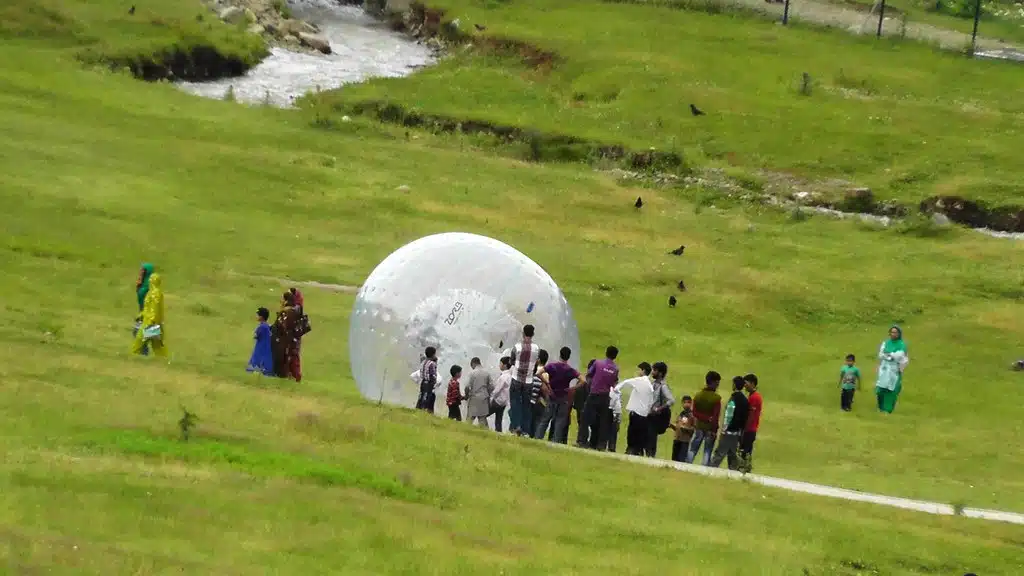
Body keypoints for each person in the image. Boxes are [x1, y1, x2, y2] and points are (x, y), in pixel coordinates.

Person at [536, 347, 580, 443]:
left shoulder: (552, 366)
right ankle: (555, 441)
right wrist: (573, 388)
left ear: (560, 354)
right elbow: (583, 380)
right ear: (568, 357)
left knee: (545, 419)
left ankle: (538, 438)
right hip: (563, 397)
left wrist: (547, 383)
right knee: (560, 421)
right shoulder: (570, 370)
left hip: (552, 394)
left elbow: (538, 373)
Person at [710, 376, 750, 470]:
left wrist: (723, 430)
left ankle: (710, 470)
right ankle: (733, 473)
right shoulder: (745, 400)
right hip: (737, 432)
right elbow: (745, 418)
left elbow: (729, 415)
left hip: (728, 432)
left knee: (719, 454)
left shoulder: (733, 399)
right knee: (732, 456)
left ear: (735, 385)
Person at [584, 346, 620, 450]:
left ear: (606, 352)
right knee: (603, 422)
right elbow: (614, 382)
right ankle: (601, 445)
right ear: (615, 356)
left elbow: (589, 375)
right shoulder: (615, 369)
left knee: (585, 417)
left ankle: (582, 441)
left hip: (594, 393)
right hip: (605, 396)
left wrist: (591, 385)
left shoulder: (597, 363)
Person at [615, 362, 654, 456]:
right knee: (640, 432)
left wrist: (616, 389)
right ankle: (638, 450)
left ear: (643, 370)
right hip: (644, 413)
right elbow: (651, 401)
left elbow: (626, 382)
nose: (638, 372)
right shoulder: (649, 385)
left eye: (639, 370)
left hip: (636, 411)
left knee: (632, 431)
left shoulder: (640, 380)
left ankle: (631, 449)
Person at [506, 325, 540, 436]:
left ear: (523, 333)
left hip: (516, 378)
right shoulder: (536, 349)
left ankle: (516, 426)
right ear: (533, 334)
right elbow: (535, 365)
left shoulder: (516, 347)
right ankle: (525, 430)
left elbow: (511, 361)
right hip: (529, 380)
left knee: (515, 403)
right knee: (526, 405)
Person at [688, 371, 722, 466]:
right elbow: (716, 417)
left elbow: (694, 412)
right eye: (717, 383)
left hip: (699, 426)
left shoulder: (698, 396)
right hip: (710, 429)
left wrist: (704, 418)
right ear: (713, 382)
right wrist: (713, 427)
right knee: (707, 451)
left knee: (693, 449)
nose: (717, 386)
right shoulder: (716, 398)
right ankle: (704, 470)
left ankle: (687, 466)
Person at [132, 272, 167, 357]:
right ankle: (163, 360)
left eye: (151, 280)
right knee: (157, 345)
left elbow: (155, 308)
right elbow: (148, 307)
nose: (149, 281)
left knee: (139, 341)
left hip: (150, 323)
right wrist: (141, 315)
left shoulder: (155, 293)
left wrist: (152, 320)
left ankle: (134, 358)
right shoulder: (151, 292)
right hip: (151, 322)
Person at [645, 361, 675, 457]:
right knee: (648, 435)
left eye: (654, 370)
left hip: (657, 416)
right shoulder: (653, 384)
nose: (652, 372)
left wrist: (659, 408)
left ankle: (650, 455)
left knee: (651, 436)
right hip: (650, 414)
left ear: (660, 373)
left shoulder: (663, 386)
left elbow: (671, 400)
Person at [876, 325, 909, 414]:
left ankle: (888, 409)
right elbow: (881, 354)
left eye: (895, 332)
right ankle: (880, 407)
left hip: (894, 369)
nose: (893, 334)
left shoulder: (902, 344)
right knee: (880, 389)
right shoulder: (886, 343)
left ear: (899, 334)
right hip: (884, 368)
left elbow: (900, 355)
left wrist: (889, 354)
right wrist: (889, 355)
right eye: (892, 332)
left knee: (891, 390)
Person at [271, 291, 301, 381]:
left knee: (282, 357)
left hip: (283, 340)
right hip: (289, 339)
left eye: (282, 299)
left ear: (286, 300)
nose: (280, 300)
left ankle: (283, 374)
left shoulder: (286, 312)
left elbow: (282, 326)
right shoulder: (293, 311)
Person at [740, 373, 762, 472]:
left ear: (752, 383)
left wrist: (744, 428)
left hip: (749, 429)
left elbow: (751, 415)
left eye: (746, 383)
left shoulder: (754, 397)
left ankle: (745, 469)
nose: (745, 385)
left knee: (745, 451)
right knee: (746, 451)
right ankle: (745, 468)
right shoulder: (753, 396)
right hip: (750, 428)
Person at [570, 359, 594, 447]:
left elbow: (576, 393)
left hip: (580, 406)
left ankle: (582, 440)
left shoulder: (582, 380)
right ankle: (585, 441)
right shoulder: (593, 381)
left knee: (582, 424)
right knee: (587, 425)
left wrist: (576, 405)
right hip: (587, 406)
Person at [289, 288, 311, 382]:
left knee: (294, 354)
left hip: (294, 335)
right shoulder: (296, 307)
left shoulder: (296, 308)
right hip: (294, 334)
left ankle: (296, 375)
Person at [464, 357, 494, 427]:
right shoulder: (487, 373)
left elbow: (467, 386)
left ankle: (465, 432)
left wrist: (466, 395)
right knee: (482, 419)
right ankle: (485, 435)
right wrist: (488, 393)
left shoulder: (472, 373)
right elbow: (492, 386)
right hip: (484, 398)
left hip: (474, 398)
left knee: (469, 419)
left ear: (473, 364)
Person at [133, 263, 155, 355]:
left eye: (143, 270)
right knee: (138, 333)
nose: (141, 272)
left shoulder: (149, 285)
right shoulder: (142, 283)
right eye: (141, 270)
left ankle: (144, 353)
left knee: (138, 333)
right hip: (142, 311)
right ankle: (144, 353)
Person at [246, 307, 274, 375]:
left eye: (257, 315)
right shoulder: (267, 325)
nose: (256, 316)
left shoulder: (262, 327)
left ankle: (257, 369)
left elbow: (256, 336)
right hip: (266, 346)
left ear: (261, 317)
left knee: (257, 358)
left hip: (261, 346)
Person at [529, 349, 550, 438]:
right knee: (537, 424)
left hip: (535, 400)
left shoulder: (534, 370)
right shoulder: (546, 373)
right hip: (541, 402)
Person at [670, 396, 695, 463]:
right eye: (684, 402)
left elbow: (694, 429)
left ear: (691, 403)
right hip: (677, 439)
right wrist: (672, 426)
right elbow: (677, 425)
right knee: (674, 459)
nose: (686, 404)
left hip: (685, 441)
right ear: (682, 403)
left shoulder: (692, 415)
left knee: (681, 460)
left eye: (688, 402)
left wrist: (686, 429)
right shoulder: (681, 414)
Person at [490, 356, 512, 432]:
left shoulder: (503, 377)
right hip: (504, 402)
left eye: (500, 363)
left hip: (498, 401)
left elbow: (497, 390)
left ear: (505, 365)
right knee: (498, 420)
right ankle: (498, 433)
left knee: (483, 414)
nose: (499, 365)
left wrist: (491, 398)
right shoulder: (510, 376)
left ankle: (483, 427)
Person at [415, 347, 439, 413]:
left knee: (422, 395)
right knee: (428, 396)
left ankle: (419, 407)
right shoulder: (432, 364)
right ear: (433, 355)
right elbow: (433, 374)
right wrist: (434, 382)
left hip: (423, 382)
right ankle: (425, 409)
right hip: (429, 383)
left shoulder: (424, 362)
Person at [607, 377, 622, 452]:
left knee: (614, 431)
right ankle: (609, 446)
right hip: (611, 412)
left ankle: (612, 447)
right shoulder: (610, 390)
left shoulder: (618, 392)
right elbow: (610, 402)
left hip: (617, 413)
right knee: (610, 430)